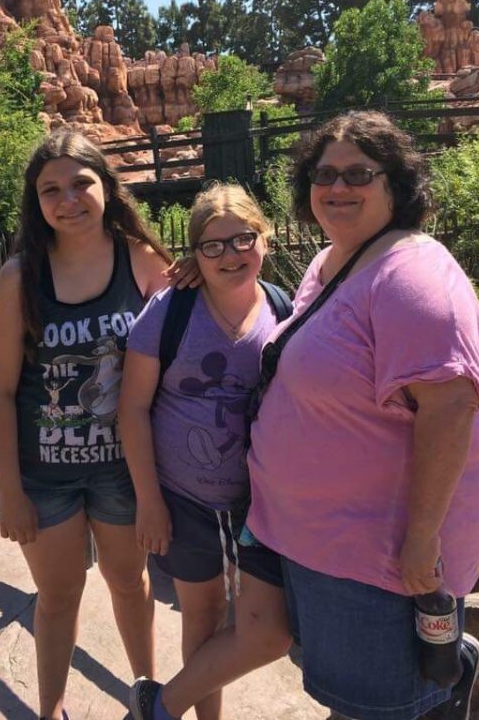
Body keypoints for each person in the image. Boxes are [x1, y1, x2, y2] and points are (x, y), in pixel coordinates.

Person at [245, 110, 479, 720]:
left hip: (380, 560)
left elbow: (451, 407)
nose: (337, 187)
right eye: (324, 174)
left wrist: (420, 541)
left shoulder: (412, 273)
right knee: (361, 704)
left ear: (397, 185)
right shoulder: (334, 262)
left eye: (359, 173)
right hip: (327, 543)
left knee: (379, 707)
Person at [0, 129, 172, 720]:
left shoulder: (140, 260)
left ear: (107, 189)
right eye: (51, 189)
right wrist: (8, 492)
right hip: (46, 475)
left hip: (124, 468)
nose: (68, 199)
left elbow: (187, 332)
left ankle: (146, 692)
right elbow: (0, 391)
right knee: (59, 595)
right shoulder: (20, 278)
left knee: (128, 581)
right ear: (35, 202)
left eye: (81, 183)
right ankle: (52, 709)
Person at [119, 184, 293, 720]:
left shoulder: (285, 310)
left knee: (262, 625)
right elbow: (132, 409)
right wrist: (149, 501)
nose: (230, 255)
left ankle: (162, 705)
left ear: (265, 238)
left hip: (256, 501)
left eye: (243, 239)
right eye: (212, 246)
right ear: (194, 254)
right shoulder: (170, 312)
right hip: (185, 497)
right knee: (202, 616)